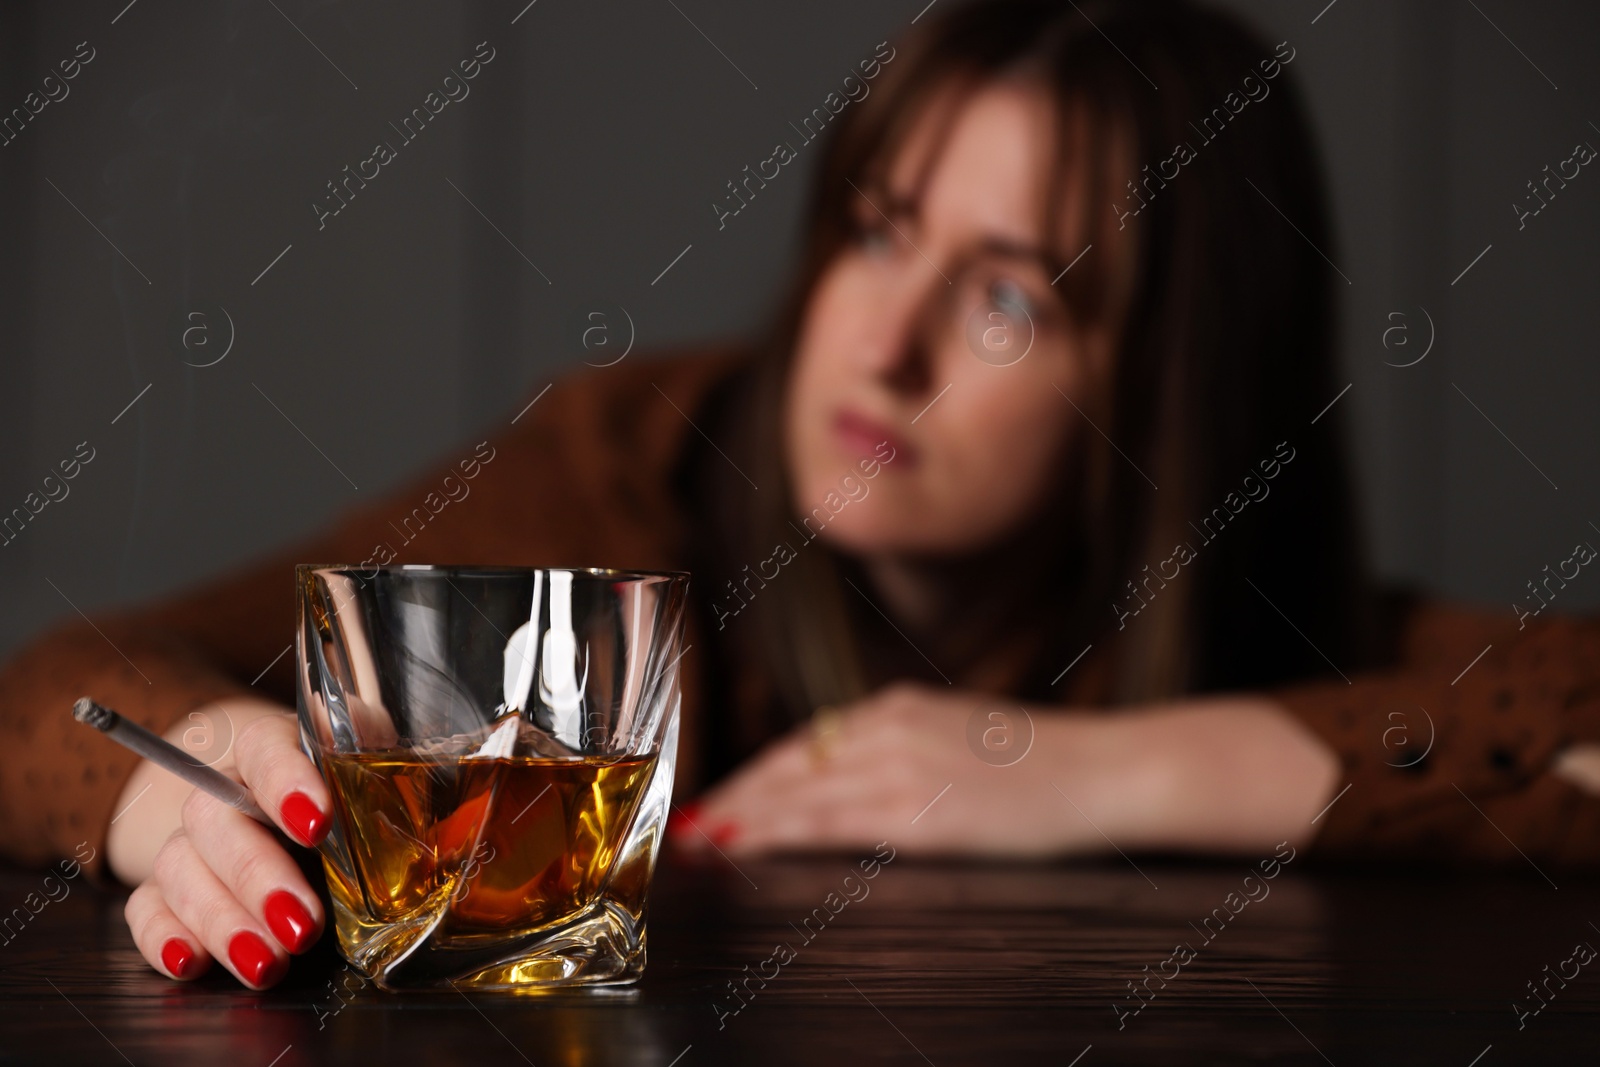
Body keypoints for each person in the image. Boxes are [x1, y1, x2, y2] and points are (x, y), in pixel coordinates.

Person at [2, 0, 1597, 992]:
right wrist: (181, 788)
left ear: (1178, 390)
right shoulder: (619, 484)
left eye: (1009, 300)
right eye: (879, 230)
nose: (880, 342)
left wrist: (1113, 776)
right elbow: (46, 698)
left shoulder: (1250, 592)